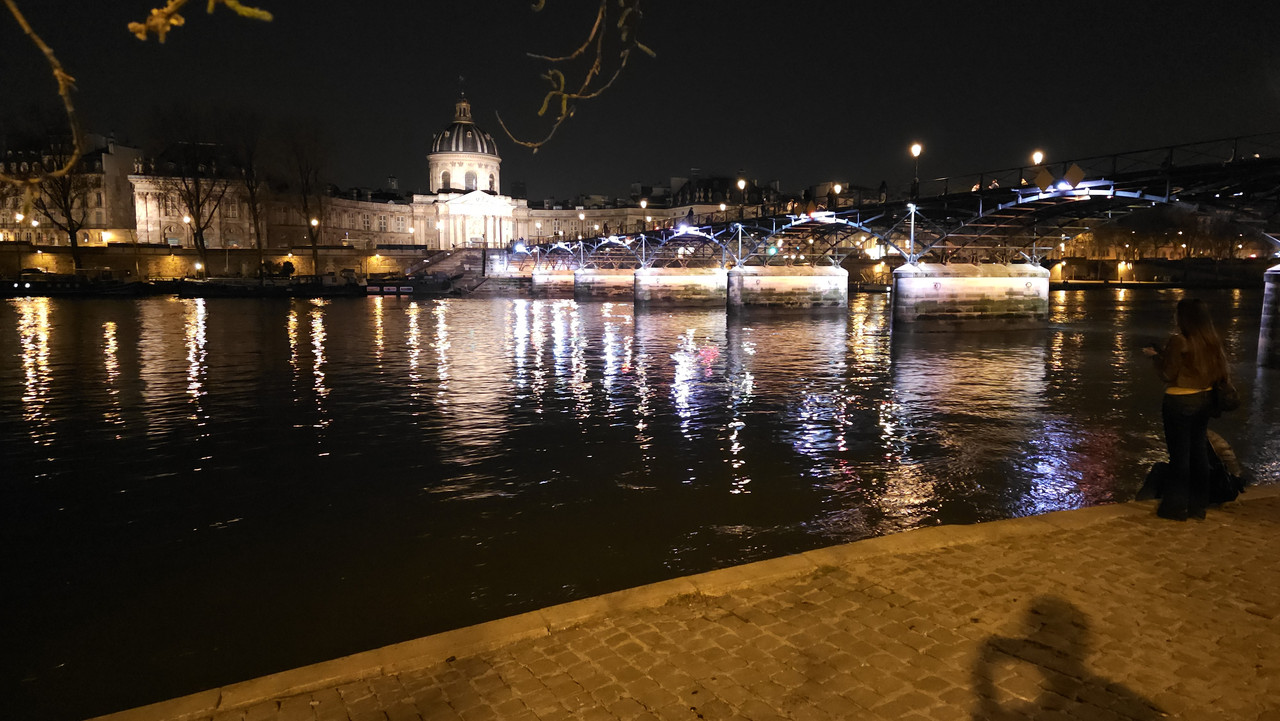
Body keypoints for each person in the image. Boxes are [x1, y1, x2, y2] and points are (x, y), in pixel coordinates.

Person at [1141, 298, 1230, 521]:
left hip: (1179, 402)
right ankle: (1198, 505)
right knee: (1199, 452)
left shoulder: (1178, 340)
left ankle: (1176, 507)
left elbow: (1168, 374)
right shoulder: (1211, 340)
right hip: (1204, 400)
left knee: (1179, 456)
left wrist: (1156, 357)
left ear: (1183, 318)